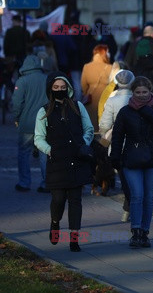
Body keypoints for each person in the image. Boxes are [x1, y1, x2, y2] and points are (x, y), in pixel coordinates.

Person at [34, 71, 94, 252]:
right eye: (56, 87)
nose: (60, 90)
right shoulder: (44, 111)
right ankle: (55, 222)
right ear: (50, 89)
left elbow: (89, 128)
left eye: (63, 87)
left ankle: (74, 238)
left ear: (68, 88)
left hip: (76, 160)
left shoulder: (77, 106)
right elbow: (39, 138)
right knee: (58, 199)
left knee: (75, 200)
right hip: (57, 162)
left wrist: (83, 143)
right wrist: (49, 150)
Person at [110, 76, 153, 247]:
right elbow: (117, 136)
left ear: (150, 91)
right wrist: (115, 157)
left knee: (148, 197)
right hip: (132, 158)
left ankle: (145, 231)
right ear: (133, 92)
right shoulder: (126, 112)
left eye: (145, 92)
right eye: (138, 92)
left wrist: (147, 110)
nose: (141, 95)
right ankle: (136, 230)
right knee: (137, 195)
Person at [99, 70, 136, 222]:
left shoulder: (112, 100)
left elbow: (105, 124)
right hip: (135, 143)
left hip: (118, 143)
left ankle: (128, 207)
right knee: (134, 177)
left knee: (123, 176)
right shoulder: (136, 98)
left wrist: (104, 132)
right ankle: (129, 206)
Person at [12, 55, 49, 193]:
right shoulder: (46, 80)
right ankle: (46, 183)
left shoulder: (22, 81)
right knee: (44, 154)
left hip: (26, 123)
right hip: (44, 123)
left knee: (23, 153)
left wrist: (16, 118)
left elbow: (17, 104)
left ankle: (24, 183)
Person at [81, 44, 113, 132]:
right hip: (106, 98)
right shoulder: (110, 67)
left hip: (91, 99)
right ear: (104, 54)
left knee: (92, 123)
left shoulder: (87, 67)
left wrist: (86, 93)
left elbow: (83, 85)